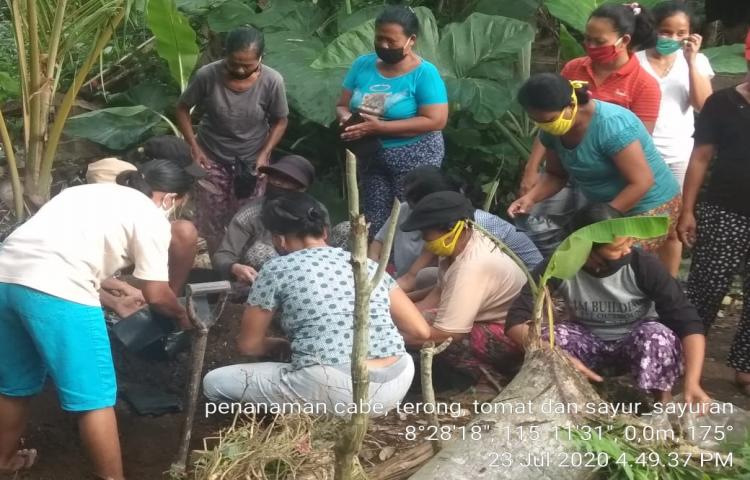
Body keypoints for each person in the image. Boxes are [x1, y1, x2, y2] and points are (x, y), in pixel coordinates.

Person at [0, 160, 194, 479]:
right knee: (95, 397)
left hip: (6, 278)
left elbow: (56, 247)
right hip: (58, 289)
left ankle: (4, 462)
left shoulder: (82, 193)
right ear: (170, 198)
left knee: (14, 385)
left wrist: (112, 290)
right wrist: (183, 317)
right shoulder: (151, 217)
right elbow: (158, 294)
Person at [202, 192, 427, 416]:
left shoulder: (275, 269)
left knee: (213, 384)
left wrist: (280, 345)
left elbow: (249, 345)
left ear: (279, 239)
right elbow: (420, 330)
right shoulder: (366, 265)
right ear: (325, 232)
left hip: (336, 388)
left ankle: (272, 429)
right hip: (397, 380)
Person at [507, 203, 710, 405]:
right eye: (616, 248)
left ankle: (659, 403)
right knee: (549, 337)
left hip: (634, 343)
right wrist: (556, 355)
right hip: (587, 342)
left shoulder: (642, 264)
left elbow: (687, 321)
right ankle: (574, 399)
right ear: (586, 249)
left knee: (658, 337)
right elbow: (515, 322)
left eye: (628, 242)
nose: (627, 251)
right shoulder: (558, 265)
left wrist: (692, 382)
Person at [518, 3, 661, 254]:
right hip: (566, 167)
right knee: (533, 225)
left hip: (612, 178)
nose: (591, 46)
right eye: (587, 39)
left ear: (623, 39)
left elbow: (639, 142)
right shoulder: (574, 68)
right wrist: (532, 170)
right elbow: (550, 120)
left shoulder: (644, 85)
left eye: (599, 41)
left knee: (599, 246)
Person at [508, 73, 680, 255]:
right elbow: (555, 175)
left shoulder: (612, 126)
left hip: (649, 206)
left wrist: (599, 222)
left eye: (549, 120)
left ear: (571, 105)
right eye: (538, 121)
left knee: (608, 257)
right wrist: (530, 199)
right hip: (603, 207)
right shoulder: (552, 130)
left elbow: (642, 182)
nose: (545, 126)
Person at [336, 5, 448, 237]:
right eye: (379, 39)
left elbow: (436, 120)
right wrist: (348, 119)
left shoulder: (424, 73)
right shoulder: (362, 65)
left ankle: (407, 271)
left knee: (408, 220)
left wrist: (381, 127)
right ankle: (379, 269)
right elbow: (342, 105)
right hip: (371, 154)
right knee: (375, 219)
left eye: (392, 40)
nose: (384, 45)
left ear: (411, 40)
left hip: (414, 155)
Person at [677, 42, 750, 396]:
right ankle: (681, 357)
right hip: (724, 211)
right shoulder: (721, 104)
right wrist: (687, 209)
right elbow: (701, 158)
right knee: (705, 287)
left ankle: (746, 367)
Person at [176, 26, 289, 253]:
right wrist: (194, 147)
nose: (239, 69)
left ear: (260, 59)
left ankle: (245, 269)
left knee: (247, 218)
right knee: (211, 219)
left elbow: (281, 120)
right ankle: (221, 267)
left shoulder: (272, 81)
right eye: (233, 62)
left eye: (247, 65)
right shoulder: (208, 75)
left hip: (251, 159)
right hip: (211, 155)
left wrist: (265, 153)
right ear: (225, 54)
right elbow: (182, 108)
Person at [400, 191, 527, 381]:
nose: (424, 238)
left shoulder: (471, 267)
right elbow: (438, 294)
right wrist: (397, 316)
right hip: (487, 313)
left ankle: (483, 377)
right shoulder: (459, 244)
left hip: (509, 333)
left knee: (433, 336)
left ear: (452, 228)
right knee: (413, 320)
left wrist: (393, 338)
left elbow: (449, 334)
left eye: (426, 231)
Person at [86, 136, 206, 318]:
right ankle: (167, 304)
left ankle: (170, 296)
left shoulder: (132, 193)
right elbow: (156, 295)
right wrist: (180, 316)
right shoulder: (138, 204)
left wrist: (121, 292)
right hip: (65, 279)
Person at [369, 166, 541, 291]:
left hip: (527, 284)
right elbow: (415, 279)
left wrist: (382, 298)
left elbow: (414, 278)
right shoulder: (443, 222)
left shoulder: (465, 229)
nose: (408, 206)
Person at [636, 1, 714, 276]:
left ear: (692, 34)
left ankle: (666, 295)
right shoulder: (635, 60)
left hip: (679, 155)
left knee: (672, 228)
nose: (673, 38)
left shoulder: (697, 61)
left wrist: (692, 61)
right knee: (637, 225)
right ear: (653, 29)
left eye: (681, 33)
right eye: (666, 31)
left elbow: (704, 103)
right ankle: (636, 289)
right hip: (638, 154)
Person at [213, 154, 349, 285]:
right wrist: (235, 267)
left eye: (286, 180)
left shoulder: (316, 209)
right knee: (260, 252)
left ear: (302, 188)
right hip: (268, 277)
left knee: (347, 229)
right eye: (274, 177)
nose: (277, 182)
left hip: (315, 269)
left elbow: (325, 245)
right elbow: (223, 255)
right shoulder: (250, 214)